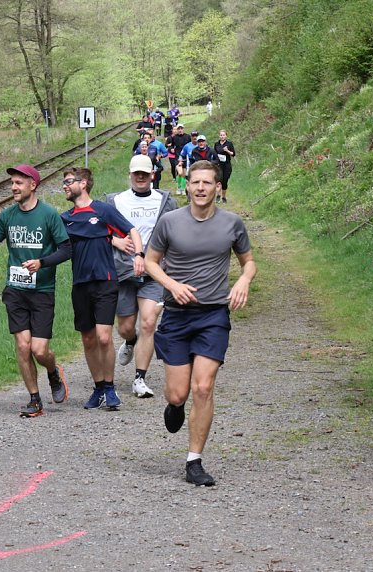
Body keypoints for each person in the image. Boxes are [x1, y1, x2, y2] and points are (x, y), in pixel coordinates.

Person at [144, 160, 256, 486]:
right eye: (196, 182)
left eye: (208, 183)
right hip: (177, 316)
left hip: (213, 315)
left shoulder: (232, 224)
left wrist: (243, 281)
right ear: (187, 185)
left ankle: (194, 461)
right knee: (178, 394)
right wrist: (172, 285)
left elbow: (249, 263)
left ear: (218, 187)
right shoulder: (170, 222)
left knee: (203, 387)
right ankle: (175, 406)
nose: (201, 188)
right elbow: (150, 262)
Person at [0, 164, 72, 417]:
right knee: (23, 346)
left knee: (39, 350)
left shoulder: (49, 215)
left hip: (42, 290)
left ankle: (53, 372)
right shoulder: (8, 215)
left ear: (33, 185)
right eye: (12, 183)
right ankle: (34, 399)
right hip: (15, 289)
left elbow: (66, 249)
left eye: (19, 183)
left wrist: (42, 263)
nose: (13, 187)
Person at [60, 167, 144, 411]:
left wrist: (138, 255)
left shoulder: (103, 210)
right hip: (80, 284)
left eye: (68, 181)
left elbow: (132, 230)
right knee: (88, 339)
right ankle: (98, 387)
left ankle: (110, 387)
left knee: (104, 337)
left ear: (83, 183)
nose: (64, 186)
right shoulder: (65, 218)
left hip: (106, 281)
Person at [105, 155, 177, 398]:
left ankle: (140, 378)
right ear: (129, 174)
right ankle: (130, 341)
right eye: (136, 173)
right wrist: (115, 241)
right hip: (123, 273)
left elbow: (174, 233)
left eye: (145, 174)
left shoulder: (165, 201)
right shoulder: (114, 201)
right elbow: (98, 229)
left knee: (148, 322)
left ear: (153, 175)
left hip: (154, 272)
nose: (140, 177)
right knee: (125, 327)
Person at [213, 130, 235, 203]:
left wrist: (227, 151)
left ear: (226, 136)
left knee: (224, 181)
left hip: (226, 165)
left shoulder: (229, 144)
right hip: (219, 165)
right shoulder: (216, 144)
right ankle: (218, 195)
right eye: (221, 135)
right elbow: (214, 153)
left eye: (223, 135)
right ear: (219, 136)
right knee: (219, 180)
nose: (222, 136)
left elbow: (233, 154)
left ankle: (224, 197)